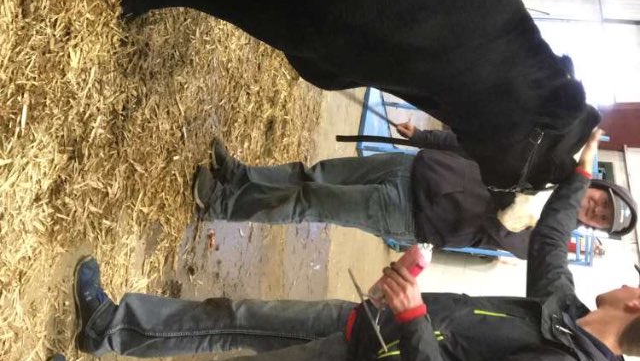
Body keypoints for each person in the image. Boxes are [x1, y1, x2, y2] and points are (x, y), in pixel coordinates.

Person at [39, 130, 638, 361]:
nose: (626, 280)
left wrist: (412, 317)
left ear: (634, 306)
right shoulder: (564, 316)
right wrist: (582, 172)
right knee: (237, 314)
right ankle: (111, 326)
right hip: (370, 327)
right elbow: (551, 236)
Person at [191, 132, 636, 257]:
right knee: (316, 174)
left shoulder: (547, 238)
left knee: (311, 202)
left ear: (592, 228)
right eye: (601, 201)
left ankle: (221, 204)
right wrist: (423, 138)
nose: (594, 209)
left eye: (599, 218)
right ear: (597, 186)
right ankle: (241, 176)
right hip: (416, 168)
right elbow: (479, 146)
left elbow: (502, 235)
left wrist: (518, 208)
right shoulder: (548, 171)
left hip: (411, 213)